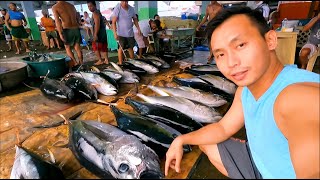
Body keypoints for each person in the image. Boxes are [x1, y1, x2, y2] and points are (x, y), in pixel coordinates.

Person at [165, 6, 319, 179]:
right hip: (262, 165)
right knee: (206, 142)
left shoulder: (297, 98)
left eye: (240, 45)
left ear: (270, 40)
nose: (231, 62)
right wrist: (181, 139)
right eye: (221, 54)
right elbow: (223, 128)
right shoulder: (245, 90)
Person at [52, 1, 83, 67]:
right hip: (76, 28)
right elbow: (77, 16)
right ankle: (81, 63)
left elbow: (57, 21)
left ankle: (75, 62)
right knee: (77, 48)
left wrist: (60, 33)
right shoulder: (71, 6)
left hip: (67, 29)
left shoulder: (55, 7)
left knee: (67, 47)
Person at [87, 1, 110, 65]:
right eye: (88, 6)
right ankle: (106, 60)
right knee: (104, 47)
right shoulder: (99, 12)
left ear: (95, 5)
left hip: (99, 33)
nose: (89, 8)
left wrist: (95, 34)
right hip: (103, 33)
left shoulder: (95, 13)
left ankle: (100, 60)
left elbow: (97, 24)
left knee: (95, 48)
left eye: (91, 6)